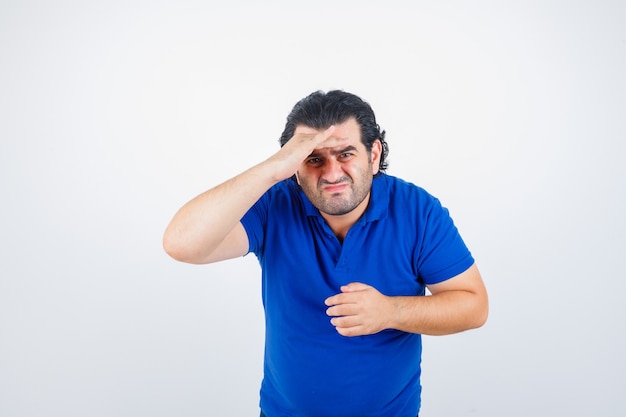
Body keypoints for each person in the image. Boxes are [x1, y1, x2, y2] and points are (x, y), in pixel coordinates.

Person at [163, 90, 488, 417]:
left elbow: (473, 306)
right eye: (314, 159)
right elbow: (181, 243)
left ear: (373, 155)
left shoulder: (418, 211)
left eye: (346, 154)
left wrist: (391, 311)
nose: (332, 174)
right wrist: (271, 169)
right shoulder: (275, 203)